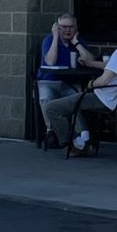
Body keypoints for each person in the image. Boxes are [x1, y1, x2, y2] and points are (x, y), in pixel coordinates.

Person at [41, 15, 117, 158]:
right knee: (73, 101)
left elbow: (103, 81)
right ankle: (84, 138)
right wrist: (91, 64)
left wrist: (91, 84)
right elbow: (112, 66)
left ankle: (74, 144)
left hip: (104, 99)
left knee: (52, 108)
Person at [34, 13, 101, 144]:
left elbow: (90, 60)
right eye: (64, 27)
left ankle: (82, 137)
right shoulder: (49, 40)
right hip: (48, 81)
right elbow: (50, 62)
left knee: (78, 98)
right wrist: (54, 37)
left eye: (71, 27)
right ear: (57, 27)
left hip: (69, 82)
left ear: (76, 28)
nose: (67, 30)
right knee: (46, 98)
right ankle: (52, 131)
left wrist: (76, 43)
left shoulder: (78, 41)